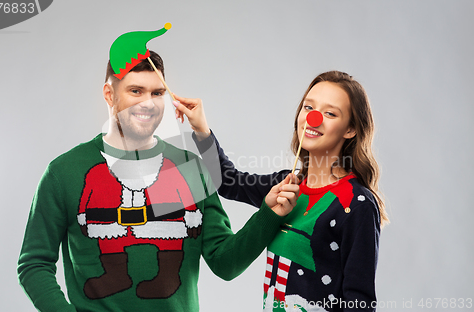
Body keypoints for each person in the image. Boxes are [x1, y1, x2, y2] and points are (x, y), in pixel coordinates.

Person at [17, 40, 300, 311]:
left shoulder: (189, 169)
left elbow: (225, 263)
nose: (148, 103)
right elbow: (34, 264)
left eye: (157, 93)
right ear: (109, 94)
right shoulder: (65, 172)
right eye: (136, 91)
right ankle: (115, 271)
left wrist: (268, 215)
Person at [174, 70, 389, 311]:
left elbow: (360, 301)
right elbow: (229, 182)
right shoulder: (286, 186)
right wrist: (202, 130)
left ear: (350, 129)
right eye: (308, 108)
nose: (314, 118)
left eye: (330, 113)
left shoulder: (356, 203)